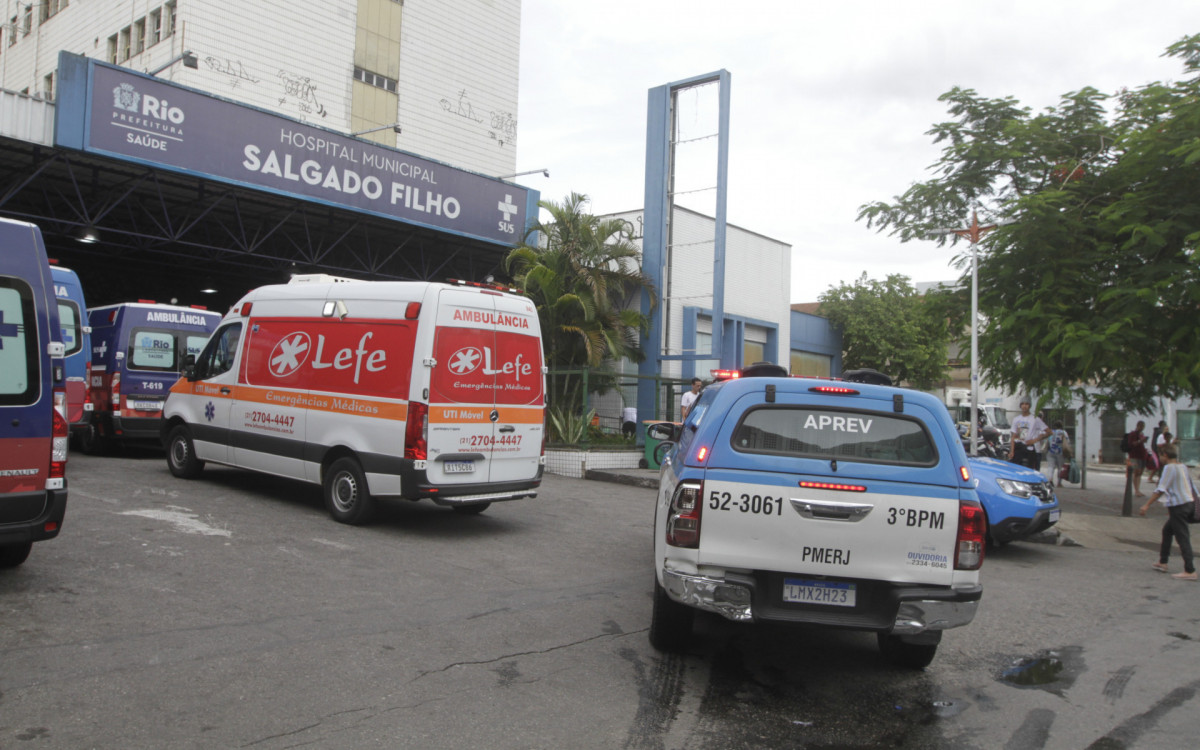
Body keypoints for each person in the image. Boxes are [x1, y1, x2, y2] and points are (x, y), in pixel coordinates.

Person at [1138, 443, 1197, 581]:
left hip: (1179, 506)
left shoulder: (1169, 468)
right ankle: (1163, 562)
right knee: (1167, 530)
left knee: (1182, 538)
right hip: (1188, 503)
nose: (1160, 458)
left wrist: (1146, 505)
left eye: (1160, 455)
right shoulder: (1182, 466)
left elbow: (1160, 489)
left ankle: (1190, 570)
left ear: (1165, 455)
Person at [1008, 399, 1050, 470]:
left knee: (1030, 470)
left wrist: (1034, 440)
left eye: (1026, 404)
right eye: (1023, 404)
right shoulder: (1016, 419)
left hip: (1030, 449)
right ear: (1020, 405)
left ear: (1029, 406)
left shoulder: (1035, 419)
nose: (1024, 406)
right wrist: (1012, 451)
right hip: (1019, 448)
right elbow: (1014, 437)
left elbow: (1049, 432)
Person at [1125, 421, 1150, 497]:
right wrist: (1140, 441)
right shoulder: (1133, 434)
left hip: (1142, 455)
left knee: (1140, 473)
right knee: (1136, 472)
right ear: (1137, 426)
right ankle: (1136, 490)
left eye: (1143, 426)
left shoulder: (1141, 434)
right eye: (1141, 426)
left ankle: (1138, 489)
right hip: (1134, 455)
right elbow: (1132, 444)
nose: (1142, 428)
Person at [1046, 421, 1071, 487]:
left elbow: (1047, 441)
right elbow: (1067, 441)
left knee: (1051, 466)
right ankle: (1059, 483)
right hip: (1060, 452)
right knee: (1060, 467)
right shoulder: (1063, 433)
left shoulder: (1051, 432)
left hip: (1051, 451)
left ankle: (1050, 480)